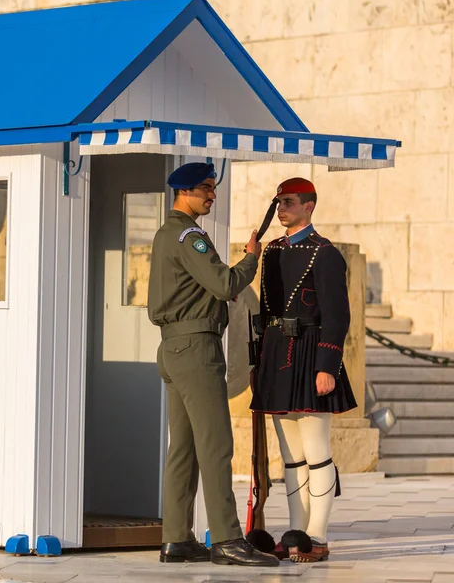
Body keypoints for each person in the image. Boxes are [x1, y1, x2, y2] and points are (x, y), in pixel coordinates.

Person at [148, 162, 278, 567]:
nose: (212, 195)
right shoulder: (189, 235)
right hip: (196, 349)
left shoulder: (167, 233)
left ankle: (177, 539)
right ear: (184, 191)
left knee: (183, 449)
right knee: (217, 444)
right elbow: (223, 283)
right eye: (206, 188)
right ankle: (226, 538)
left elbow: (200, 288)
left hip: (173, 347)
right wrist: (251, 259)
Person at [249, 177, 357, 563]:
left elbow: (337, 315)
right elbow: (264, 311)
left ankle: (318, 537)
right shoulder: (272, 250)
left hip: (311, 355)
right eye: (279, 202)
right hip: (278, 356)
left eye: (290, 202)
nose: (281, 209)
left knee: (317, 452)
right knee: (291, 456)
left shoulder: (324, 253)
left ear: (309, 206)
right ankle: (295, 534)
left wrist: (327, 365)